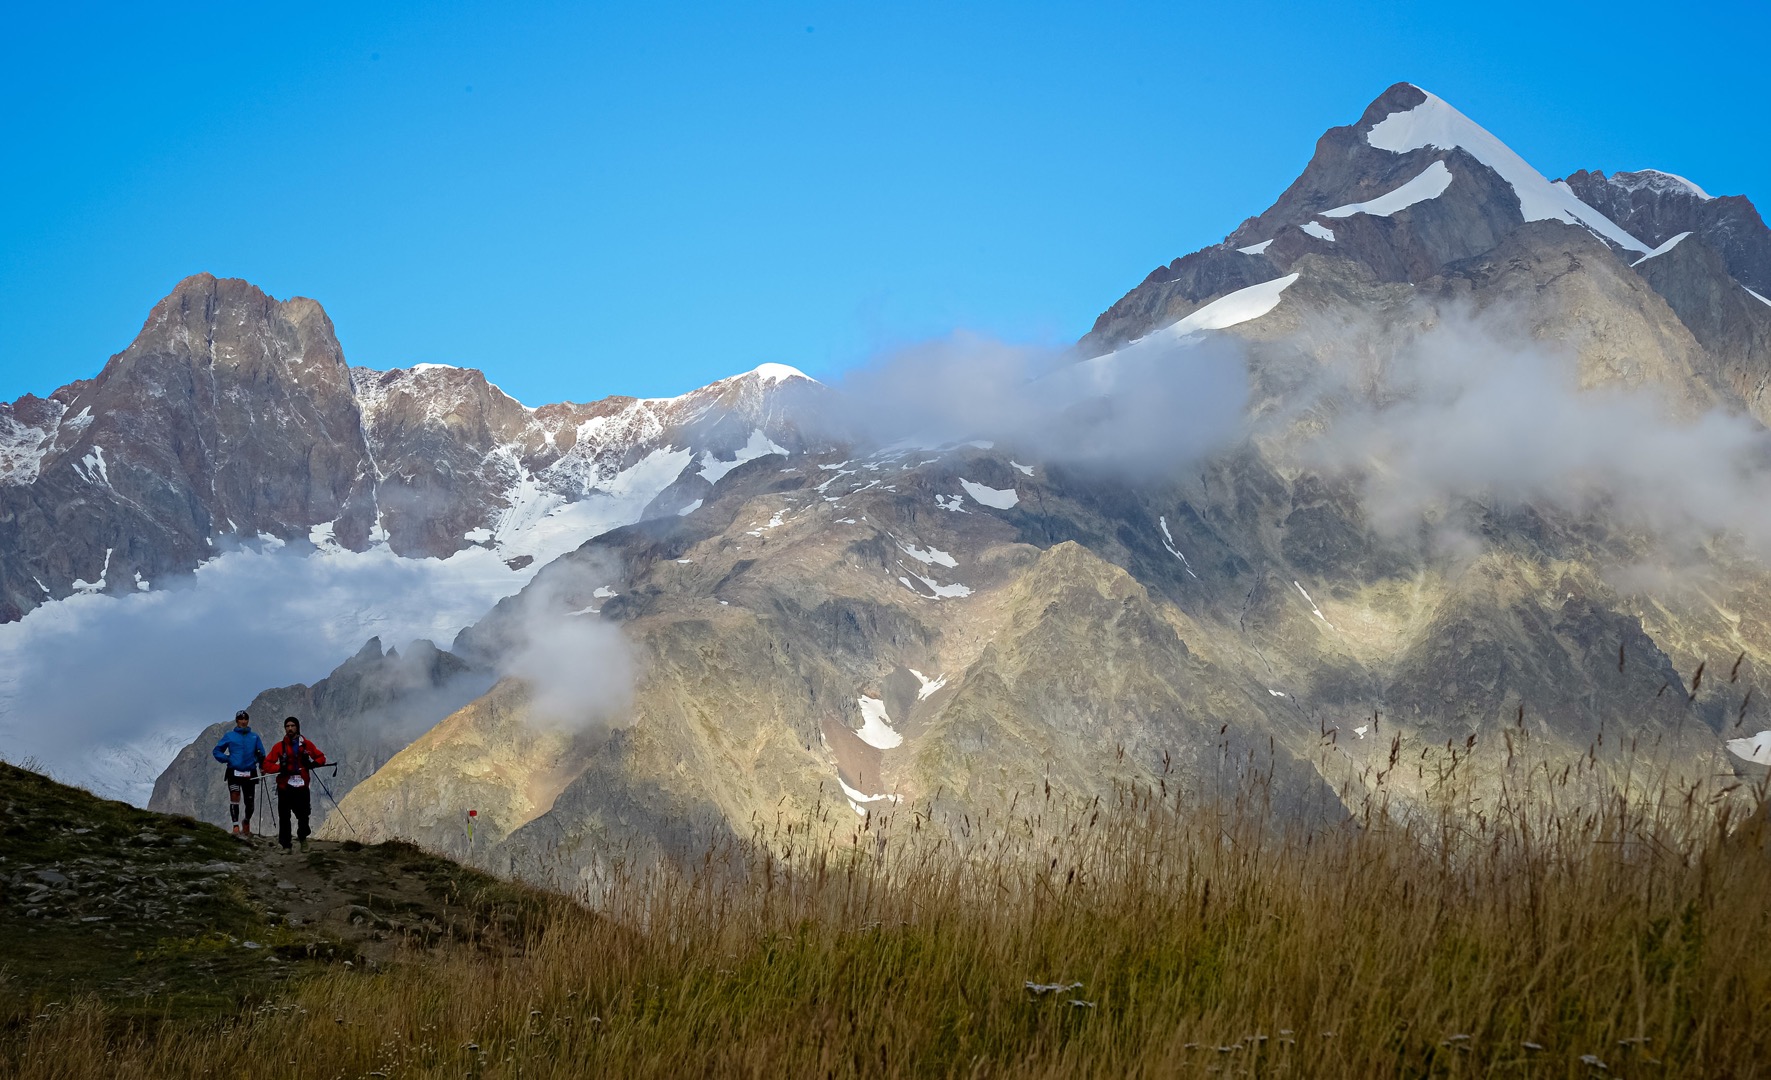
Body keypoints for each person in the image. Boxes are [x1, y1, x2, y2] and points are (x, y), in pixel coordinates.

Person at [262, 716, 327, 853]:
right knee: (284, 816)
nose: (290, 728)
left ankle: (302, 836)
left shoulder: (307, 745)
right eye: (287, 726)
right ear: (285, 728)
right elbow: (266, 764)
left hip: (302, 786)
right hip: (285, 786)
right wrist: (280, 768)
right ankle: (285, 845)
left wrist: (313, 764)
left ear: (297, 727)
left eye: (292, 725)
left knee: (304, 815)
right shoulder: (279, 747)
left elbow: (321, 757)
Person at [211, 709, 265, 837]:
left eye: (245, 719)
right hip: (234, 772)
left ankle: (246, 821)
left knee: (250, 802)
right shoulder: (229, 736)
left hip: (250, 772)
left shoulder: (254, 736)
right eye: (241, 719)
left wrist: (261, 764)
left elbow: (261, 753)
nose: (243, 722)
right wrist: (227, 759)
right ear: (236, 721)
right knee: (235, 797)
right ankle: (235, 826)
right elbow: (217, 751)